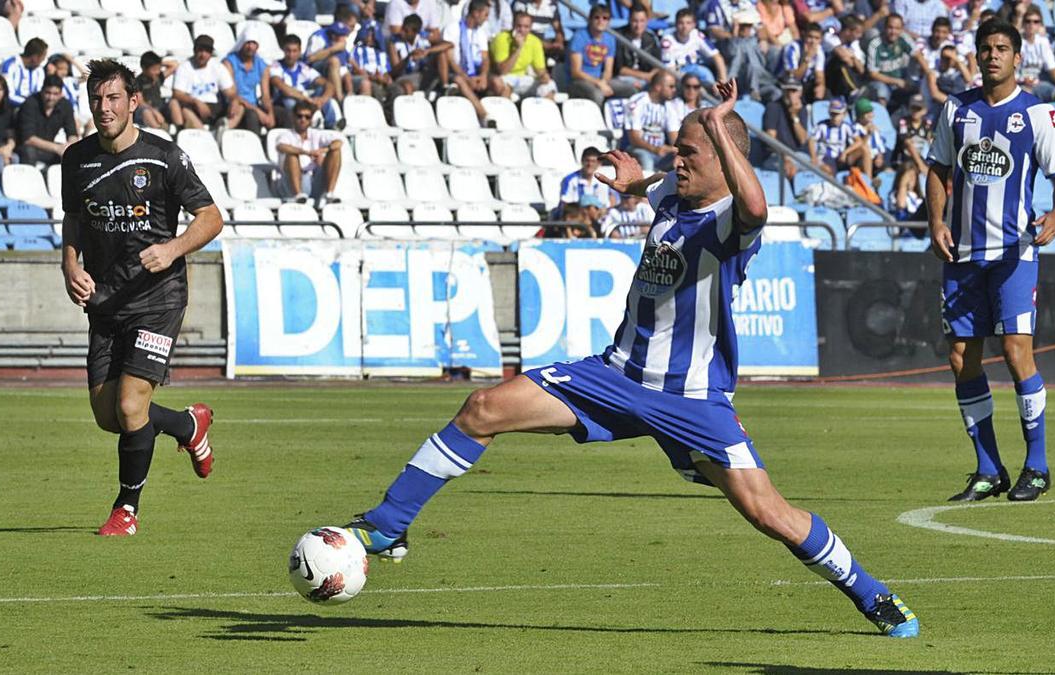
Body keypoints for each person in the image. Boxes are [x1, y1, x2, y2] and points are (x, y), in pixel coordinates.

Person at [339, 79, 920, 640]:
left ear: (722, 154)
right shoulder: (674, 191)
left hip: (691, 401)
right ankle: (389, 526)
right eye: (678, 151)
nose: (679, 160)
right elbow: (659, 183)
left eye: (690, 151)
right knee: (483, 407)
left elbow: (757, 206)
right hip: (613, 376)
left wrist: (718, 123)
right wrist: (637, 183)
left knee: (769, 513)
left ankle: (872, 595)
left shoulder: (731, 224)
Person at [60, 59, 223, 536]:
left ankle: (125, 511)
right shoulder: (76, 159)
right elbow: (74, 219)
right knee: (109, 417)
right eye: (96, 99)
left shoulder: (164, 157)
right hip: (105, 300)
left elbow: (210, 218)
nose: (103, 108)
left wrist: (172, 248)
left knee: (132, 407)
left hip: (158, 298)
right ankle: (188, 426)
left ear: (134, 102)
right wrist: (70, 265)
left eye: (113, 98)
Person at [926, 18, 1055, 503]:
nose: (992, 55)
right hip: (963, 255)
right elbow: (936, 170)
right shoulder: (956, 110)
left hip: (1014, 253)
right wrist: (937, 222)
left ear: (1017, 57)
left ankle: (1038, 465)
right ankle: (988, 468)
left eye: (1002, 48)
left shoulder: (1037, 115)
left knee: (1015, 352)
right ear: (976, 55)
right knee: (961, 359)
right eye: (985, 48)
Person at [440, 0, 507, 120]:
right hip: (457, 73)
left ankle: (501, 117)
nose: (486, 19)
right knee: (460, 80)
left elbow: (485, 59)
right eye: (485, 15)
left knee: (499, 83)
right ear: (476, 13)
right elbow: (451, 60)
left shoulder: (481, 33)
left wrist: (483, 75)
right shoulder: (452, 28)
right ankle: (484, 116)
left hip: (476, 74)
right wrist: (467, 78)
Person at [276, 100, 344, 205]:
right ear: (293, 117)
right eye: (300, 116)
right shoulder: (285, 135)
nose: (303, 120)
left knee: (335, 152)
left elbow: (339, 142)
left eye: (307, 117)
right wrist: (306, 153)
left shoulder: (316, 134)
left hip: (314, 179)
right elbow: (281, 147)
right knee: (292, 155)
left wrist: (323, 151)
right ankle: (298, 195)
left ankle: (330, 193)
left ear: (311, 120)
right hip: (293, 182)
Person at [268, 34, 342, 129]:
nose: (291, 55)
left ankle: (331, 126)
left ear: (299, 52)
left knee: (321, 91)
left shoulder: (303, 68)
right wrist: (306, 99)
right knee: (289, 101)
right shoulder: (276, 66)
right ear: (283, 50)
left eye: (294, 51)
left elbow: (329, 85)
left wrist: (322, 100)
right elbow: (283, 88)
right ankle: (310, 122)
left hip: (306, 100)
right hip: (284, 102)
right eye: (288, 51)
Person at [566, 4, 633, 105]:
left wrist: (603, 82)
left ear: (609, 21)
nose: (601, 21)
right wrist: (598, 83)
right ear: (590, 19)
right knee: (597, 95)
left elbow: (608, 70)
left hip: (600, 80)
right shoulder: (579, 37)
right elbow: (576, 72)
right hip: (579, 81)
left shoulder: (610, 39)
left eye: (605, 18)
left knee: (630, 90)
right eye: (597, 17)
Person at [170, 35, 239, 131]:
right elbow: (177, 94)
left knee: (240, 106)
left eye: (207, 51)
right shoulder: (185, 67)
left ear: (211, 53)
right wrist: (196, 102)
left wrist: (234, 101)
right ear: (194, 50)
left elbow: (231, 92)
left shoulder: (217, 67)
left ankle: (224, 129)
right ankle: (205, 136)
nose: (203, 54)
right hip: (193, 106)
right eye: (200, 50)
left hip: (215, 106)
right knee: (183, 109)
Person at [490, 10, 556, 99]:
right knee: (503, 85)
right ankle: (506, 111)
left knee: (548, 86)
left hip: (523, 78)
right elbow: (503, 71)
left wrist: (544, 76)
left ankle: (547, 111)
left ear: (530, 27)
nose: (522, 30)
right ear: (513, 25)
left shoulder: (535, 41)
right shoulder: (502, 39)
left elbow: (540, 69)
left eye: (526, 27)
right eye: (519, 26)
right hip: (505, 76)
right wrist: (518, 48)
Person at [223, 26, 275, 134]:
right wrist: (258, 111)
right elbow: (233, 93)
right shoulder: (229, 63)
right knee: (252, 115)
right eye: (248, 43)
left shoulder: (262, 65)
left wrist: (270, 113)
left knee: (283, 113)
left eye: (253, 43)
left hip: (253, 103)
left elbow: (265, 95)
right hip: (234, 102)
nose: (250, 47)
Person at [16, 75, 77, 166]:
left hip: (49, 147)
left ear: (61, 94)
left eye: (55, 94)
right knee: (29, 151)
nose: (51, 98)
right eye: (48, 93)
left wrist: (70, 146)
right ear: (42, 91)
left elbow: (72, 133)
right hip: (28, 147)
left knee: (72, 155)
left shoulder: (65, 105)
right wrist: (57, 148)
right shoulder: (30, 104)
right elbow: (28, 139)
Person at [623, 70, 678, 172]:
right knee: (647, 160)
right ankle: (646, 188)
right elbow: (634, 139)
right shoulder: (636, 102)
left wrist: (676, 150)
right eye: (671, 86)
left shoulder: (669, 106)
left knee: (682, 159)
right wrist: (655, 149)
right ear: (658, 87)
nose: (674, 90)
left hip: (661, 152)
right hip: (637, 150)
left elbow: (674, 137)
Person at [661, 8, 728, 86]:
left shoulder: (697, 35)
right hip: (678, 74)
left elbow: (717, 57)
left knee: (706, 73)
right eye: (681, 23)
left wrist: (722, 81)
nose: (684, 26)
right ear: (676, 24)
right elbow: (670, 70)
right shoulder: (667, 41)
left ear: (694, 24)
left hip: (696, 69)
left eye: (688, 23)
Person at [809, 96, 871, 177]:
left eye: (837, 114)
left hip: (841, 157)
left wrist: (846, 152)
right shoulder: (822, 126)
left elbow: (859, 141)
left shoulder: (846, 126)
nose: (835, 118)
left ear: (844, 114)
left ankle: (869, 181)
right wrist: (814, 158)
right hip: (827, 158)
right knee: (828, 170)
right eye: (832, 114)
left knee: (864, 149)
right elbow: (811, 140)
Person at [865, 12, 916, 111]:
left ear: (902, 29)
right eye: (890, 27)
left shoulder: (904, 38)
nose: (893, 32)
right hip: (880, 82)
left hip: (900, 80)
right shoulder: (875, 44)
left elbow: (918, 55)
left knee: (917, 90)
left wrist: (928, 72)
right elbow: (873, 74)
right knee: (882, 93)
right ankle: (881, 121)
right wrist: (896, 81)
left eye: (897, 28)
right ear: (884, 28)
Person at [556, 145, 618, 217]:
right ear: (582, 161)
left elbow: (611, 201)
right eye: (587, 160)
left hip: (600, 217)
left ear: (599, 163)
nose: (590, 164)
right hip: (577, 218)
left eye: (593, 161)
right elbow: (565, 204)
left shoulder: (604, 180)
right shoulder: (570, 180)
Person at [612, 6, 661, 94]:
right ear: (629, 20)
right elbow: (620, 69)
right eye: (635, 21)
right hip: (623, 79)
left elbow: (658, 65)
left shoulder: (651, 39)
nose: (638, 25)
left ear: (647, 21)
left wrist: (650, 76)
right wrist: (644, 76)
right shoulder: (619, 37)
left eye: (642, 21)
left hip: (646, 79)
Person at [0, 37, 47, 109]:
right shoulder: (9, 66)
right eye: (42, 58)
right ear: (35, 58)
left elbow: (39, 91)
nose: (43, 61)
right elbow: (8, 96)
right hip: (13, 109)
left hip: (35, 109)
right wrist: (30, 105)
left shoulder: (39, 70)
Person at [349, 24, 394, 100]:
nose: (373, 38)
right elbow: (354, 70)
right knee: (376, 89)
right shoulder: (356, 50)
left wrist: (385, 78)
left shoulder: (381, 53)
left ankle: (390, 111)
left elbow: (386, 71)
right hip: (368, 78)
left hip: (381, 79)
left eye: (375, 35)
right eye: (370, 35)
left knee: (396, 88)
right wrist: (373, 77)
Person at [133, 51, 171, 131]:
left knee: (174, 103)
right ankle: (159, 134)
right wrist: (155, 112)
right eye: (154, 69)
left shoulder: (158, 77)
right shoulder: (138, 82)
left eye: (158, 68)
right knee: (147, 112)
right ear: (144, 68)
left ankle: (179, 128)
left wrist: (159, 63)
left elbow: (174, 65)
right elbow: (141, 102)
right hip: (145, 111)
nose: (157, 72)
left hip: (160, 107)